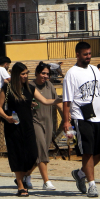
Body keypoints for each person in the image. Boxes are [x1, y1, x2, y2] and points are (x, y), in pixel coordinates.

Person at [0, 62, 62, 197]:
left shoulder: (29, 88)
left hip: (28, 126)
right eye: (23, 74)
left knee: (32, 154)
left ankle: (24, 176)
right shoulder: (7, 88)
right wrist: (6, 117)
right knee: (17, 155)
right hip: (13, 127)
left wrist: (62, 100)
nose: (26, 76)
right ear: (16, 75)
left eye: (27, 73)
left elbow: (45, 100)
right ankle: (21, 186)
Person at [63, 41, 100, 198]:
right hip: (81, 117)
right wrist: (67, 121)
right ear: (78, 54)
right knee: (87, 152)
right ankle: (92, 185)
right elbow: (67, 101)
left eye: (89, 54)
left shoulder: (94, 70)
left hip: (98, 117)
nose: (88, 57)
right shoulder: (71, 74)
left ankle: (80, 174)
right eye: (85, 54)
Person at [26, 62, 61, 191]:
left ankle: (25, 175)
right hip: (34, 122)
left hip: (48, 122)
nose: (45, 76)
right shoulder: (30, 86)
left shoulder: (50, 85)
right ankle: (46, 181)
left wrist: (67, 115)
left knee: (42, 152)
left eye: (47, 74)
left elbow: (56, 101)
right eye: (43, 73)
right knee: (41, 150)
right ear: (36, 73)